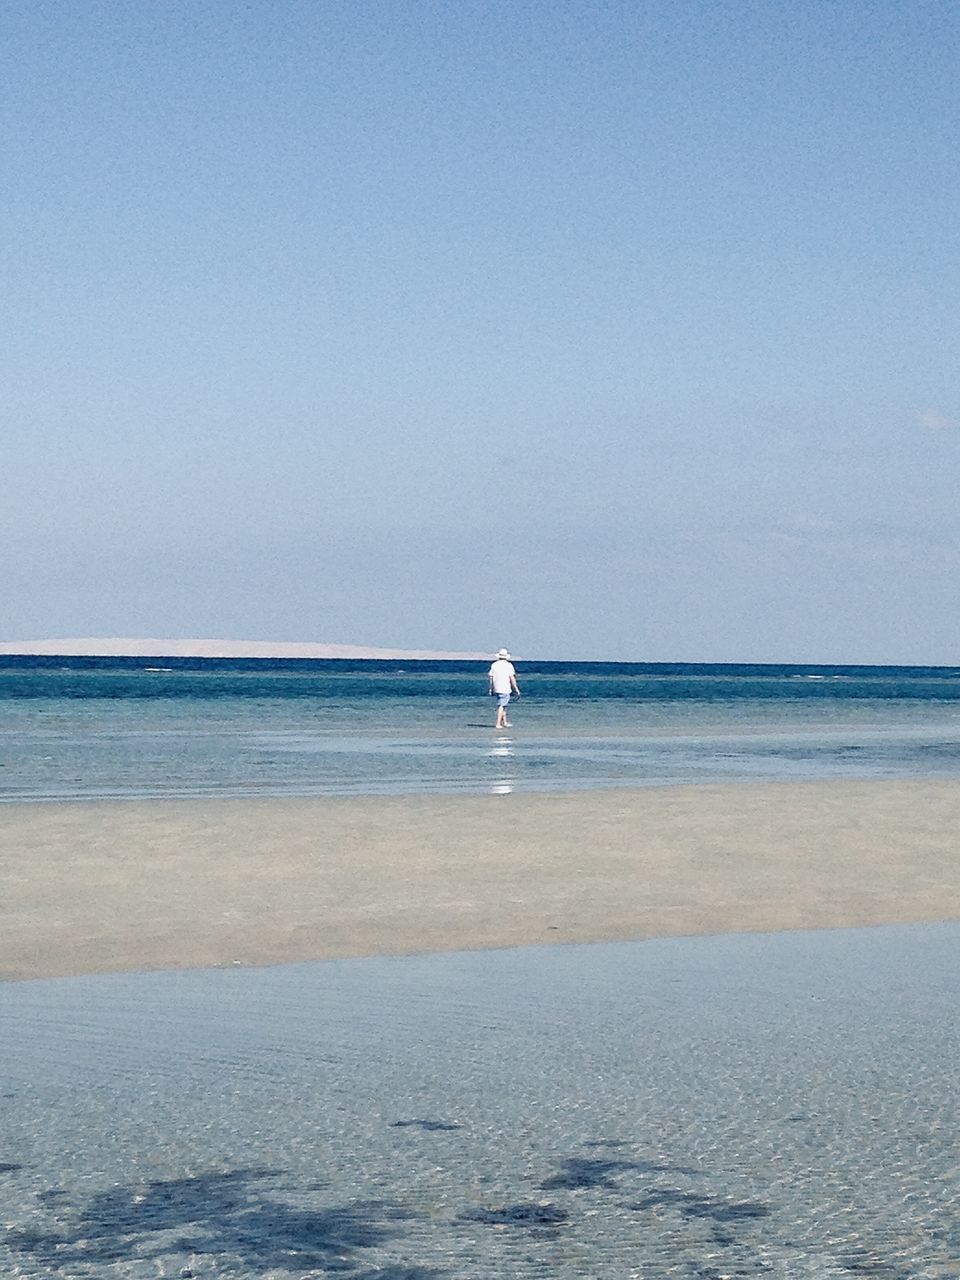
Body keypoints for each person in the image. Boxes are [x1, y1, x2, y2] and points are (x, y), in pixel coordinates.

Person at [488, 648, 520, 729]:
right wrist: (516, 689)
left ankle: (504, 722)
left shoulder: (494, 665)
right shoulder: (509, 665)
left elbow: (491, 677)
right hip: (505, 688)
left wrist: (491, 688)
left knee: (504, 705)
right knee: (502, 705)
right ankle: (498, 723)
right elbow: (512, 678)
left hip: (497, 687)